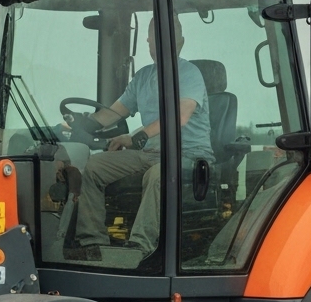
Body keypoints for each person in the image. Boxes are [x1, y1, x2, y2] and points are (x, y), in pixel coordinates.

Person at [71, 16, 214, 260]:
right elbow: (113, 113)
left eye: (167, 38)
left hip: (189, 155)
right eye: (154, 38)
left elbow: (180, 115)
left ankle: (140, 247)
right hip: (150, 153)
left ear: (180, 41)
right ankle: (92, 243)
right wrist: (78, 122)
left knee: (159, 175)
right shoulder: (143, 77)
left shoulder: (189, 73)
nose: (158, 44)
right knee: (93, 166)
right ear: (147, 41)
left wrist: (138, 135)